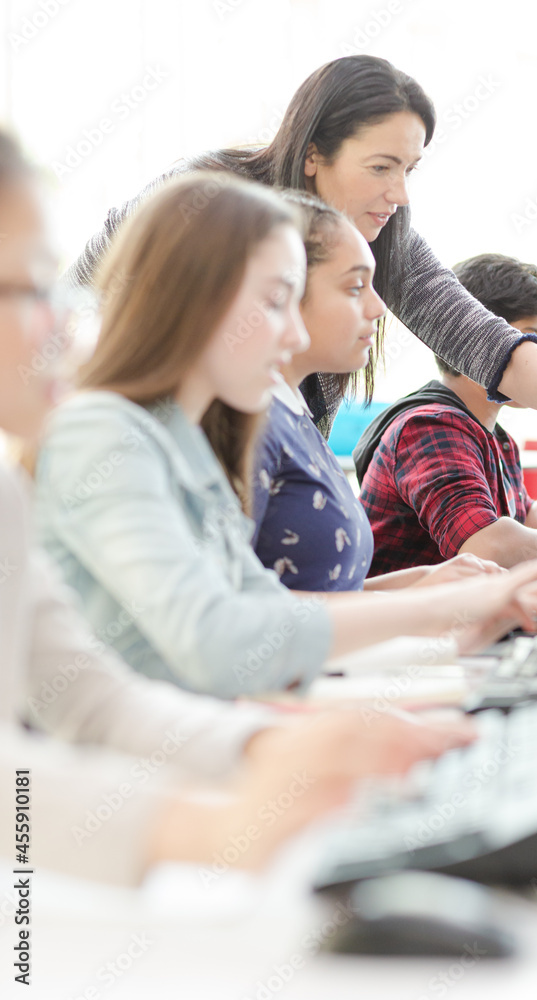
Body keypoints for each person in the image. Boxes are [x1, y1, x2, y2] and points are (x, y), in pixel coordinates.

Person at [0, 129, 478, 886]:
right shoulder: (102, 435)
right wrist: (214, 827)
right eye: (32, 288)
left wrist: (275, 747)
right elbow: (214, 640)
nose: (63, 321)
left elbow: (93, 699)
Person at [35, 172, 537, 700]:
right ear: (199, 298)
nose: (294, 334)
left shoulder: (187, 444)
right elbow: (219, 642)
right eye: (276, 302)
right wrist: (438, 611)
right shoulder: (104, 435)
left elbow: (270, 618)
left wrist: (453, 638)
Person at [64, 55, 537, 438]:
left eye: (409, 169)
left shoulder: (381, 231)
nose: (399, 194)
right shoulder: (205, 199)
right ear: (313, 154)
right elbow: (74, 310)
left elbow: (480, 337)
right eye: (381, 167)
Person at [252, 191, 498, 591]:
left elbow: (320, 591)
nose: (379, 307)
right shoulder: (250, 423)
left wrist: (425, 583)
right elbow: (246, 611)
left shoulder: (297, 414)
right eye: (355, 287)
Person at [355, 254, 537, 573]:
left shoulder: (493, 435)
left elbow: (527, 512)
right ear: (481, 340)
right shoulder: (431, 427)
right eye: (534, 340)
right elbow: (486, 546)